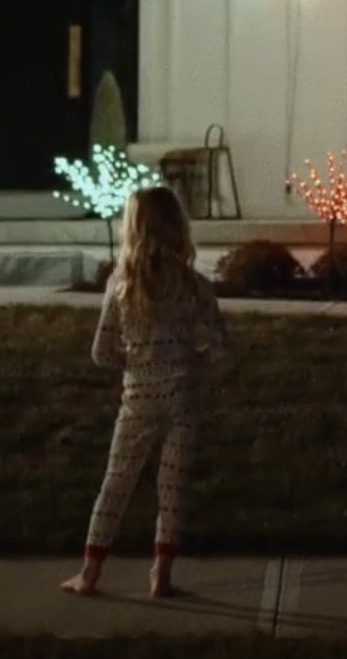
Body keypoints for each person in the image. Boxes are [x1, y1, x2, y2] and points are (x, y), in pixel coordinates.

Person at [61, 185, 230, 599]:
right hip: (182, 399)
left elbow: (101, 352)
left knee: (116, 482)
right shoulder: (193, 287)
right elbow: (220, 350)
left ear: (132, 229)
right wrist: (194, 362)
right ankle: (162, 576)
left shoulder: (121, 286)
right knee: (170, 490)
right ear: (178, 227)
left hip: (138, 399)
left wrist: (135, 363)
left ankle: (89, 574)